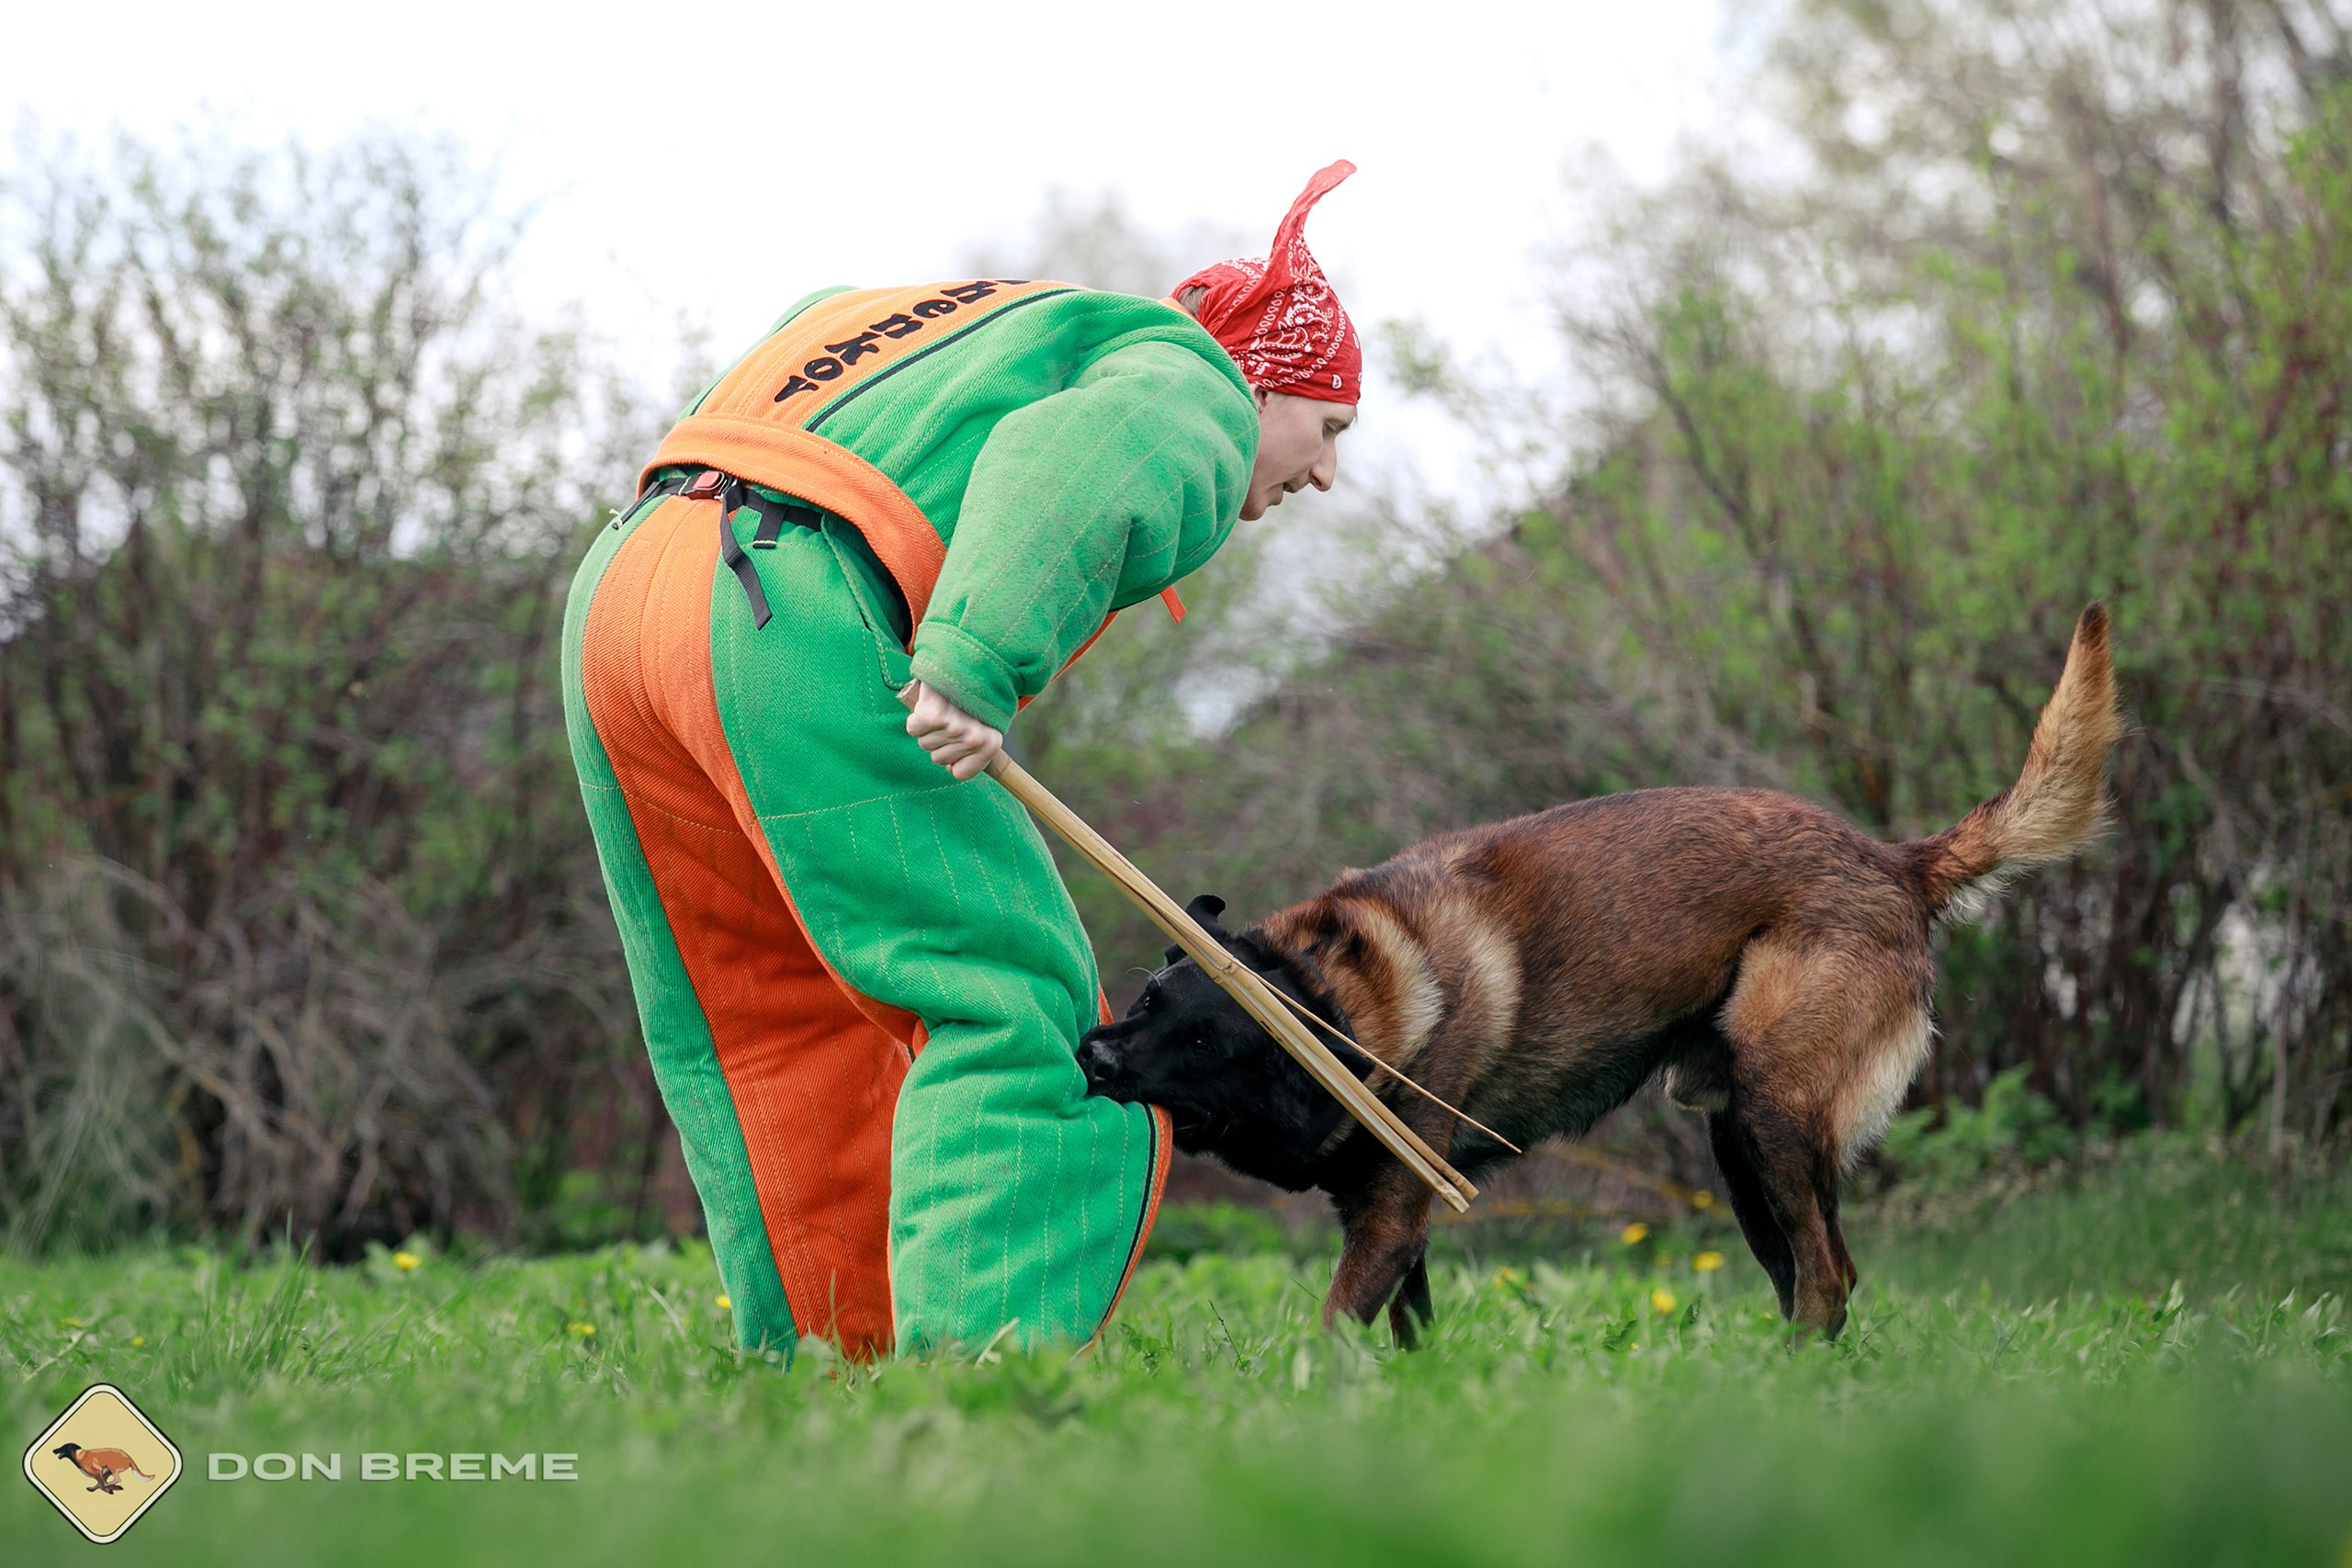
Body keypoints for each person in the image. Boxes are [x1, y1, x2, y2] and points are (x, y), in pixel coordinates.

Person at [560, 161, 1363, 1359]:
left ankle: (830, 1360)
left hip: (629, 591)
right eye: (1328, 426)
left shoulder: (979, 322)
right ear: (1265, 380)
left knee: (770, 1015)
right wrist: (974, 658)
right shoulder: (1190, 375)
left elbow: (802, 337)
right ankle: (984, 1379)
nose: (1324, 472)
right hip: (790, 606)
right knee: (1020, 1020)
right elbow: (1089, 454)